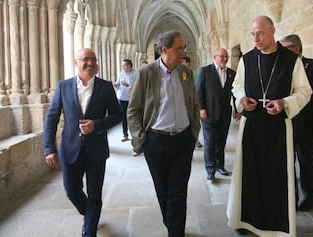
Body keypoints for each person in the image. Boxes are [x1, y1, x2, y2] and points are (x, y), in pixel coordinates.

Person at [226, 16, 312, 237]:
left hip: (278, 129)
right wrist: (243, 99)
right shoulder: (247, 59)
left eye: (260, 33)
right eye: (252, 34)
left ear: (272, 31)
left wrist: (285, 103)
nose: (256, 38)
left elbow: (304, 92)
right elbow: (237, 87)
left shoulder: (291, 60)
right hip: (251, 127)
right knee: (249, 174)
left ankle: (277, 227)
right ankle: (245, 222)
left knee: (276, 176)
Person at [127, 31, 200, 237]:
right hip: (156, 141)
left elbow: (194, 104)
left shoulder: (185, 72)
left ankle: (176, 232)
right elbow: (133, 110)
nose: (183, 52)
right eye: (179, 48)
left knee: (178, 192)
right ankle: (171, 224)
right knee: (163, 191)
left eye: (184, 47)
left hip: (183, 140)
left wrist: (194, 133)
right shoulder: (145, 73)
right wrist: (141, 137)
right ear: (164, 49)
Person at [43, 48, 121, 237]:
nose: (90, 63)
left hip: (96, 150)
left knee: (95, 194)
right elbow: (52, 118)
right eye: (85, 59)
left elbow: (118, 115)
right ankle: (89, 213)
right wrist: (49, 148)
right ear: (75, 62)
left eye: (93, 59)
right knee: (72, 190)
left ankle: (90, 230)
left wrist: (97, 125)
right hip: (70, 149)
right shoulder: (63, 86)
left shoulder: (106, 86)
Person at [280, 34, 313, 211]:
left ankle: (309, 195)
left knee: (306, 161)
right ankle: (290, 198)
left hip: (307, 125)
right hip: (285, 124)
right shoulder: (282, 67)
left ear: (296, 49)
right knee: (286, 163)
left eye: (285, 48)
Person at [196, 48, 236, 180]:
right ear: (214, 57)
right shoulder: (205, 71)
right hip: (209, 113)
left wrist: (238, 109)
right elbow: (199, 91)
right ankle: (210, 169)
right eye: (221, 56)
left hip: (225, 113)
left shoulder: (231, 73)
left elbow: (235, 93)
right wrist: (201, 108)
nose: (224, 59)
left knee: (221, 141)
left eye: (226, 57)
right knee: (209, 142)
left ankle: (220, 166)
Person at [182, 55, 203, 149]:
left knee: (194, 121)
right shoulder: (179, 72)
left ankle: (196, 139)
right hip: (182, 101)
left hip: (192, 100)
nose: (182, 63)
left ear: (187, 63)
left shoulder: (193, 73)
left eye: (183, 62)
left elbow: (197, 87)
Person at [114, 59, 135, 143]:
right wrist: (116, 84)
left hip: (132, 98)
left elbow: (136, 86)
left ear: (129, 65)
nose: (123, 67)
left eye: (124, 65)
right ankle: (125, 134)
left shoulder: (135, 73)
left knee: (133, 117)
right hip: (121, 97)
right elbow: (118, 83)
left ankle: (135, 135)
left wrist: (126, 84)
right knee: (123, 117)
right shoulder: (121, 73)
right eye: (122, 66)